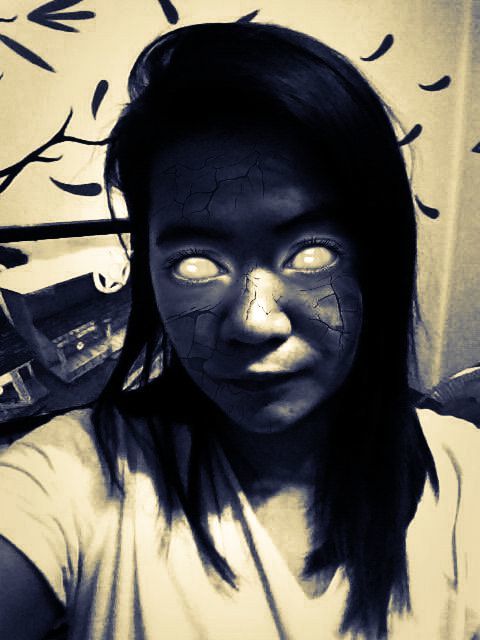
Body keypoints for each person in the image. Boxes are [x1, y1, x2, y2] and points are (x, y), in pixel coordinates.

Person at [0, 21, 478, 640]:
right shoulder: (71, 477)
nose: (253, 323)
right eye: (195, 263)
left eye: (311, 252)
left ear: (376, 257)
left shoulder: (464, 483)